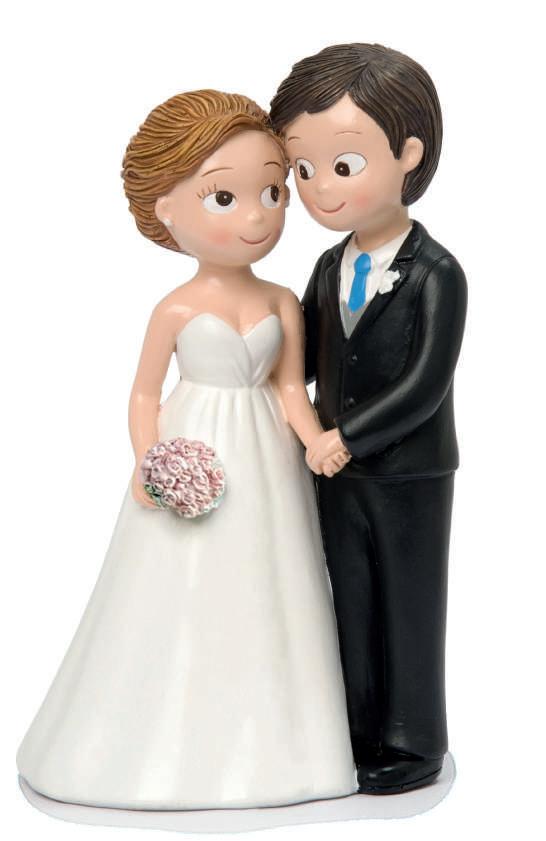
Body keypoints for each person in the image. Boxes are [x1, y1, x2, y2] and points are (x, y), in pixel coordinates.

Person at [16, 90, 358, 810]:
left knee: (270, 579)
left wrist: (316, 441)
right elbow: (144, 393)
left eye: (272, 191)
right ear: (168, 209)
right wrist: (150, 462)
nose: (258, 215)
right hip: (194, 441)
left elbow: (289, 387)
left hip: (266, 454)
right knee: (180, 579)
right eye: (225, 197)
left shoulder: (281, 301)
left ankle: (280, 742)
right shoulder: (174, 309)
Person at [270, 43, 468, 794]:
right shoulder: (329, 267)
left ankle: (414, 738)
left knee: (409, 604)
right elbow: (305, 354)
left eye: (342, 164)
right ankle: (354, 727)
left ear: (407, 154)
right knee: (347, 599)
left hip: (407, 472)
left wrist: (344, 438)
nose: (320, 188)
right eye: (303, 169)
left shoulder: (437, 273)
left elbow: (425, 385)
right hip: (336, 473)